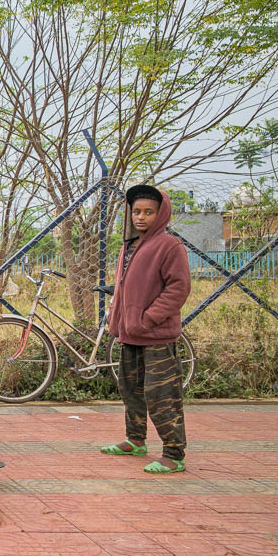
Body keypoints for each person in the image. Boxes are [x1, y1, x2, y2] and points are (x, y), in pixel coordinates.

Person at [100, 185, 191, 475]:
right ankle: (136, 440)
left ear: (160, 214)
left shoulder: (169, 246)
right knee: (131, 389)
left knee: (161, 393)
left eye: (148, 212)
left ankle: (174, 453)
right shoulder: (130, 245)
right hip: (130, 335)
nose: (141, 217)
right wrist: (118, 317)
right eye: (136, 211)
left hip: (156, 336)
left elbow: (179, 288)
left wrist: (148, 318)